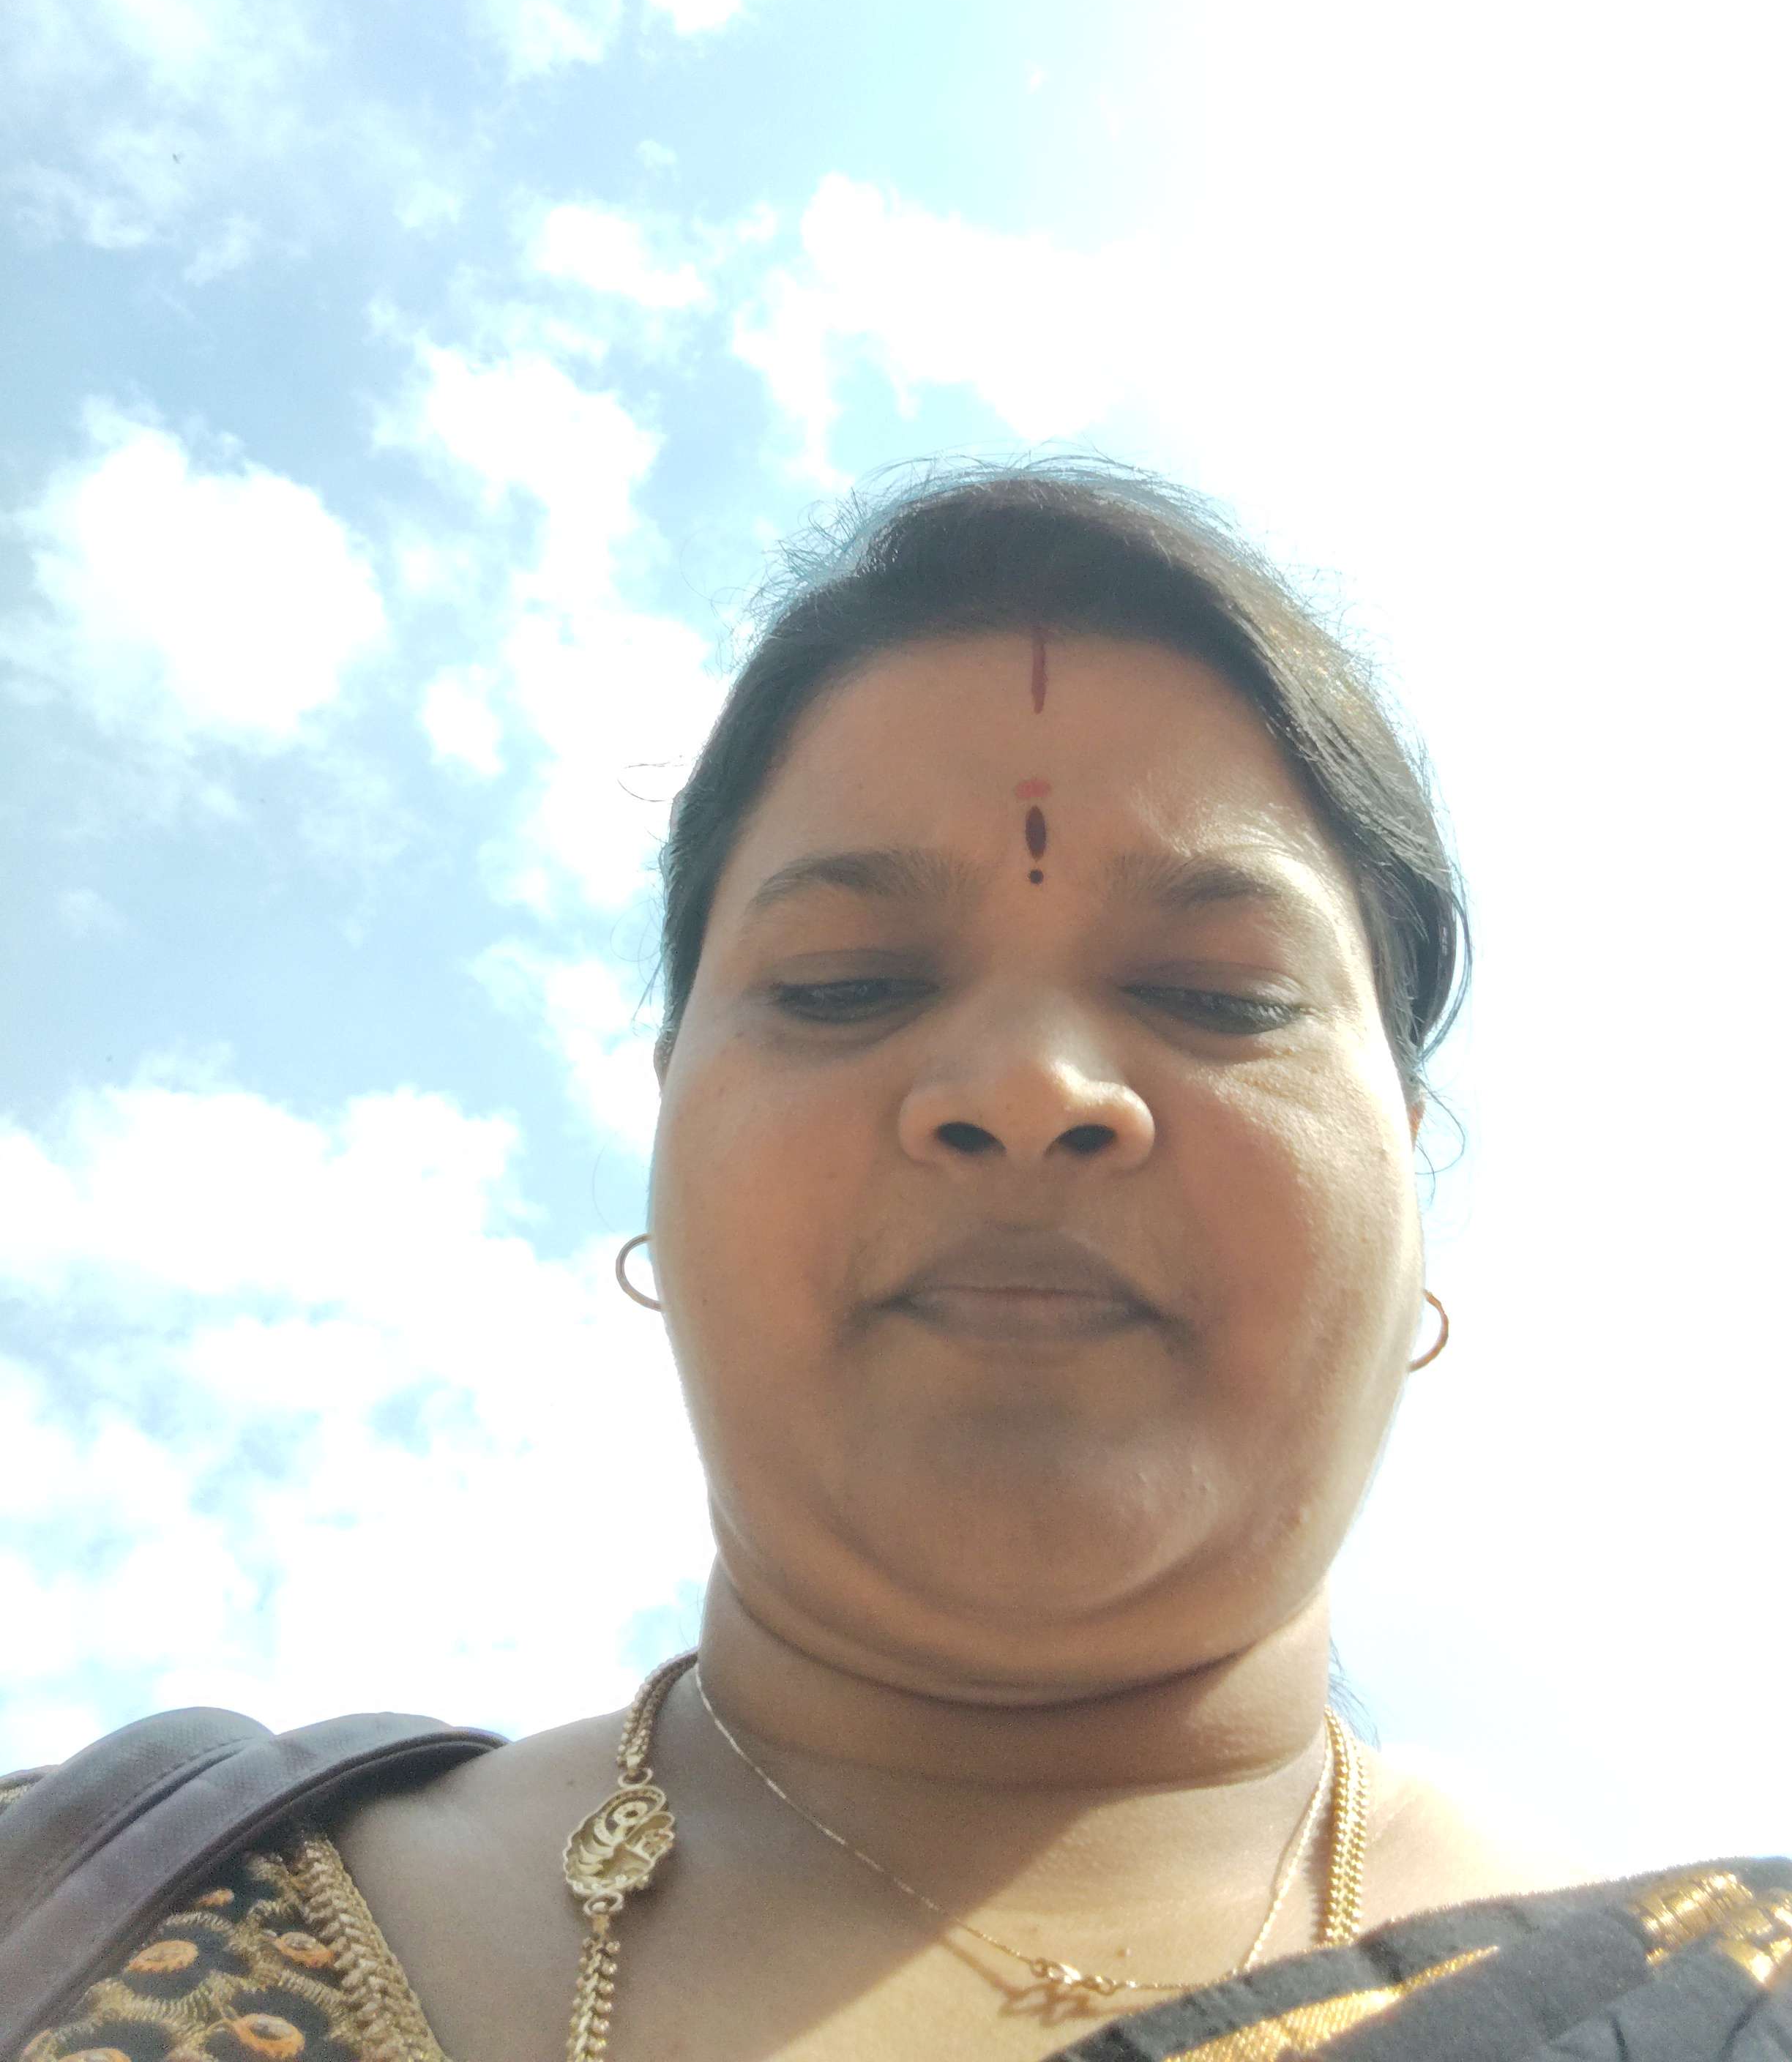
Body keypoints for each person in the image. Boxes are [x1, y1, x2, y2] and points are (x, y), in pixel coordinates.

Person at [7, 462, 1788, 2061]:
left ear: (1415, 1179)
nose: (1027, 1090)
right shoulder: (80, 1907)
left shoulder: (1718, 2004)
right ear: (663, 1149)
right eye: (845, 985)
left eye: (1216, 996)